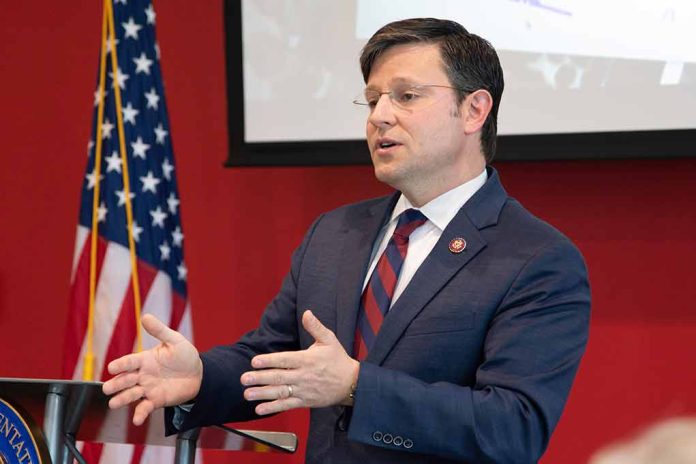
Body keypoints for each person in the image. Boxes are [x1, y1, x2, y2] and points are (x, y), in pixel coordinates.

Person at [103, 18, 591, 463]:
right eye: (373, 98)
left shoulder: (536, 259)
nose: (379, 116)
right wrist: (202, 378)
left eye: (406, 96)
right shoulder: (335, 234)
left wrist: (357, 386)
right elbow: (273, 357)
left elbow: (513, 429)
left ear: (473, 110)